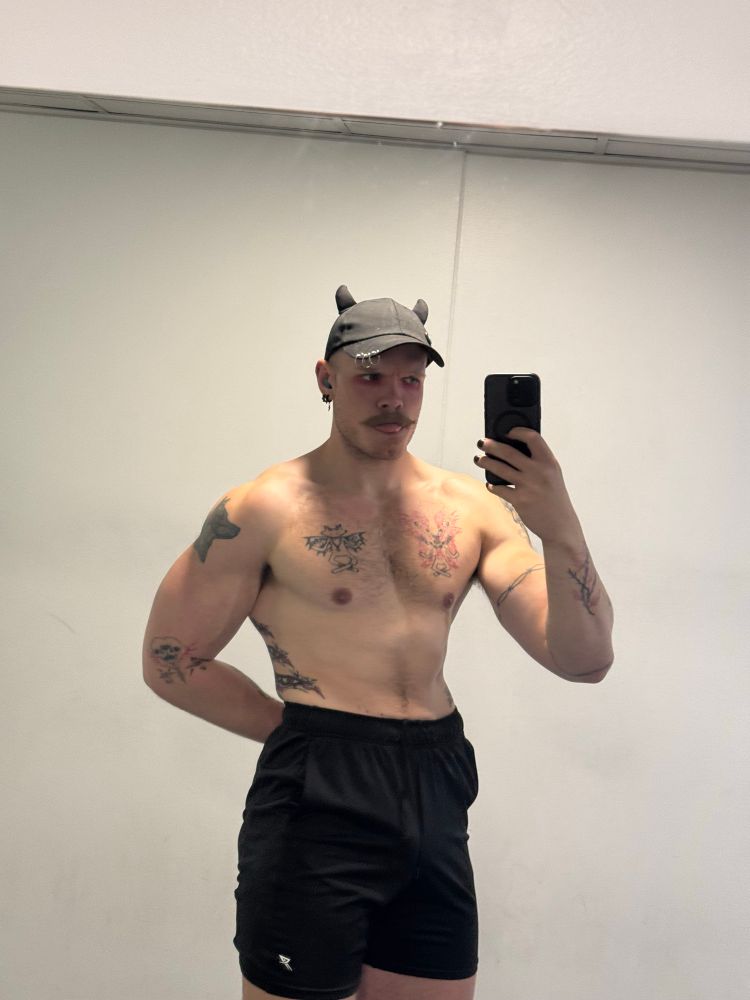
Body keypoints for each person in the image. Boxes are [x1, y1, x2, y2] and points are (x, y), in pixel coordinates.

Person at [142, 284, 615, 1000]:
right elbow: (170, 661)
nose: (394, 398)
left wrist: (561, 529)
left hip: (436, 784)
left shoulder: (474, 509)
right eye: (370, 377)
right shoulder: (264, 508)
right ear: (326, 379)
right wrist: (301, 735)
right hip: (317, 794)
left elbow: (584, 661)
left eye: (411, 380)